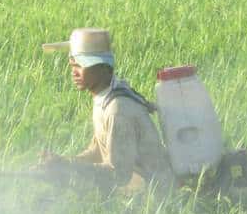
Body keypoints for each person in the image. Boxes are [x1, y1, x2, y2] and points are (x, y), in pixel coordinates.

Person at [39, 28, 174, 193]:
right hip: (134, 189)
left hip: (151, 197)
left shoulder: (117, 110)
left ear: (103, 68)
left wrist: (69, 167)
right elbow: (97, 151)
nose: (74, 72)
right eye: (72, 65)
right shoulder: (104, 99)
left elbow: (118, 174)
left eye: (80, 66)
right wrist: (63, 163)